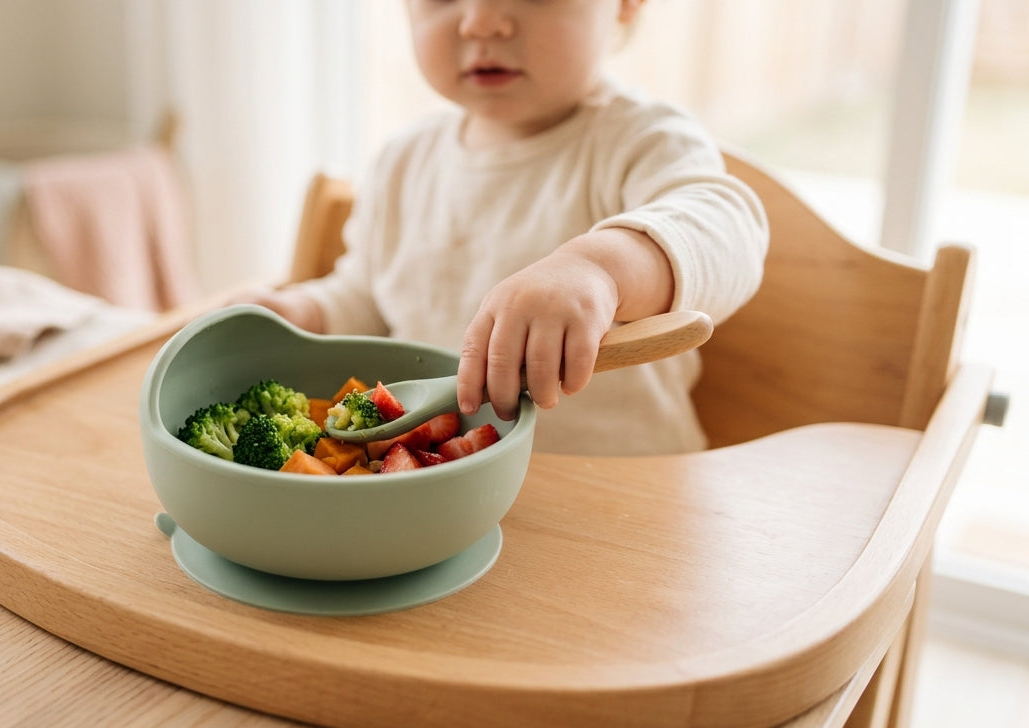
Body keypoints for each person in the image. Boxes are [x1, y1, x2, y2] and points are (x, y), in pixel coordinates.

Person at [245, 0, 768, 456]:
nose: (481, 22)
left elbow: (725, 228)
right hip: (448, 491)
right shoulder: (402, 163)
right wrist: (302, 315)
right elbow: (369, 298)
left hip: (624, 501)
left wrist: (600, 269)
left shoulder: (642, 140)